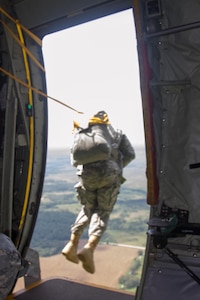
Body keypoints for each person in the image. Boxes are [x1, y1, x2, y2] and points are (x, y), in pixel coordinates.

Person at [62, 111, 135, 274]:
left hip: (86, 175)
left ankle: (72, 245)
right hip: (109, 174)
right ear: (106, 122)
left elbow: (75, 158)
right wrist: (116, 167)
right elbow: (130, 154)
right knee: (103, 211)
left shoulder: (83, 133)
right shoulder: (117, 134)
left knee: (88, 208)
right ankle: (89, 249)